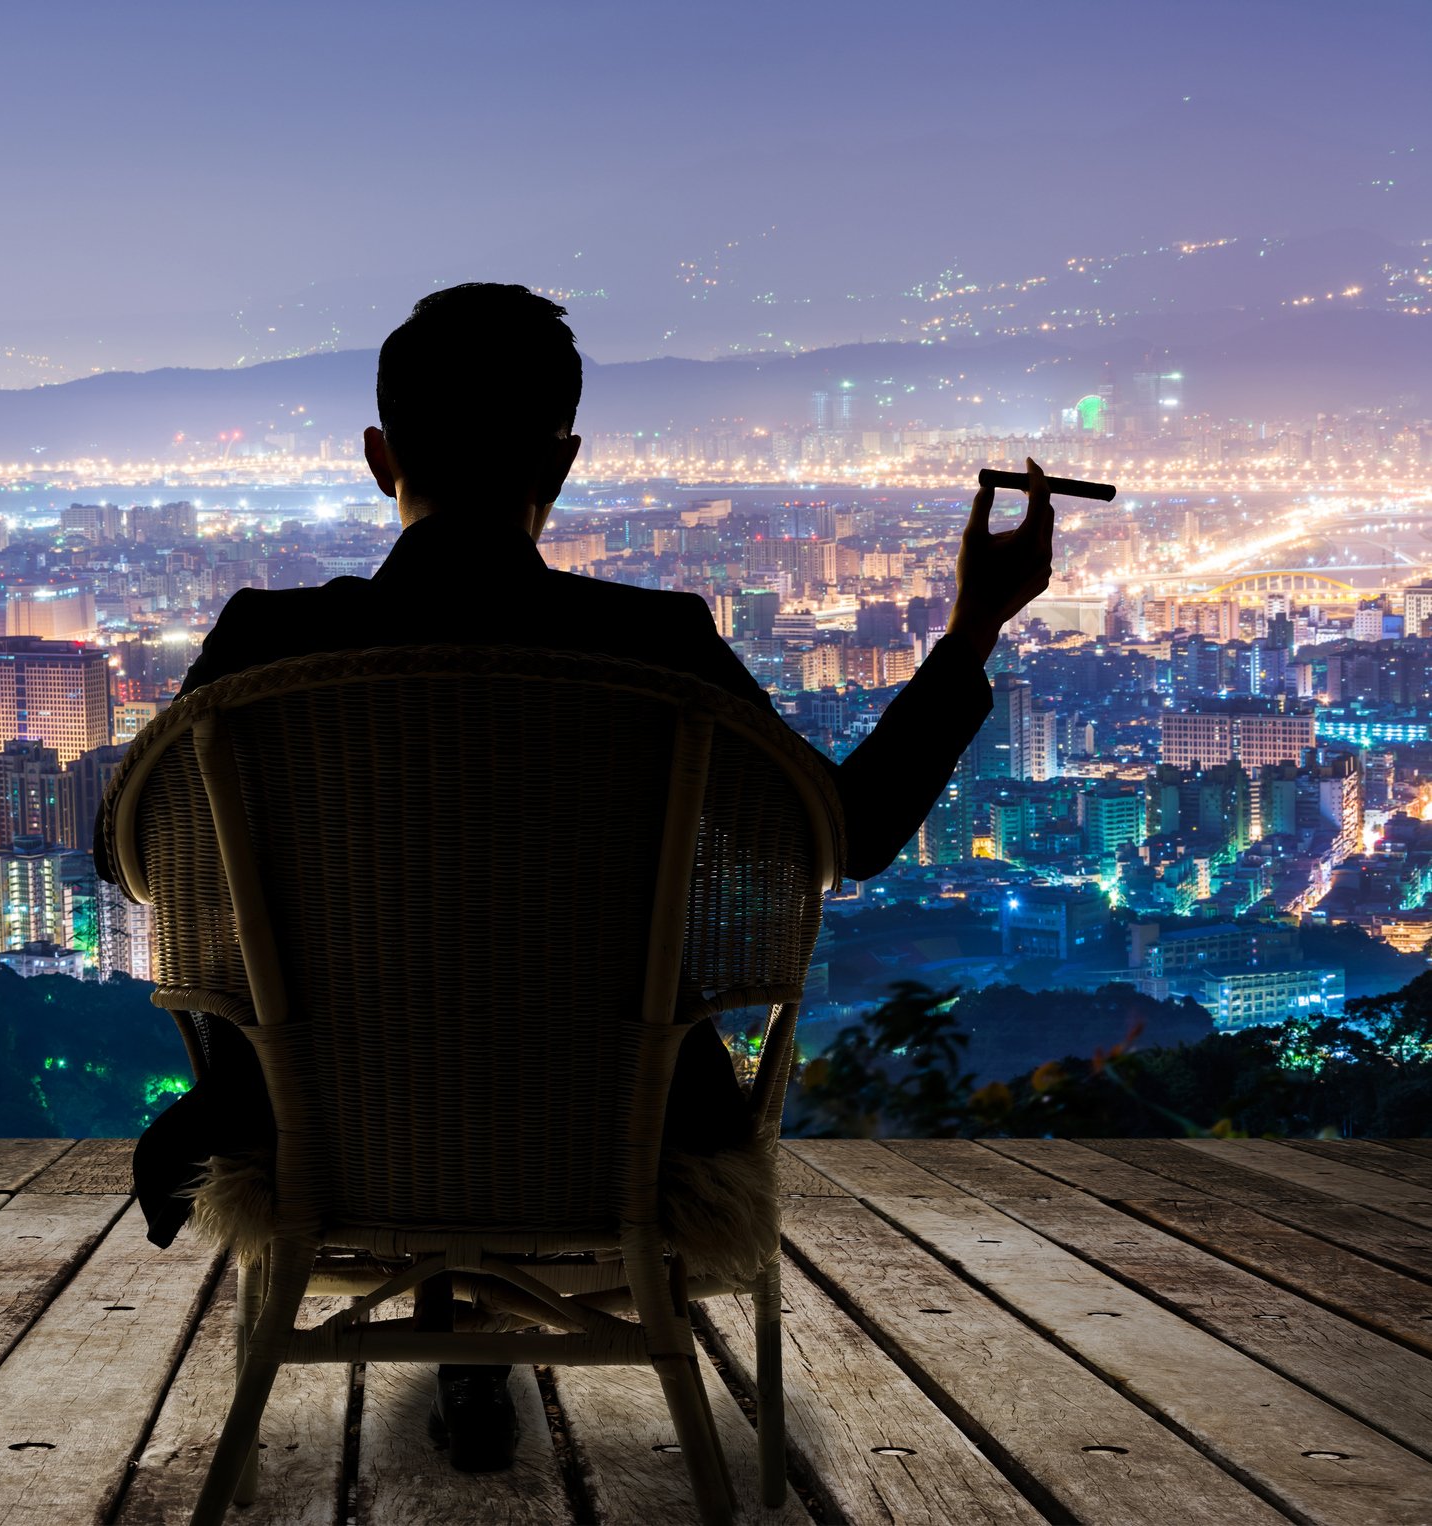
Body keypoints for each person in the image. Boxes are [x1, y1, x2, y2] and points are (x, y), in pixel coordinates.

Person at [95, 281, 1055, 1471]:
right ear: (567, 457)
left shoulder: (264, 643)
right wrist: (971, 627)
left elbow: (121, 852)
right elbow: (844, 836)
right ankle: (497, 1348)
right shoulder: (656, 647)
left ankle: (460, 1341)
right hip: (625, 1130)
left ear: (377, 455)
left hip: (318, 1133)